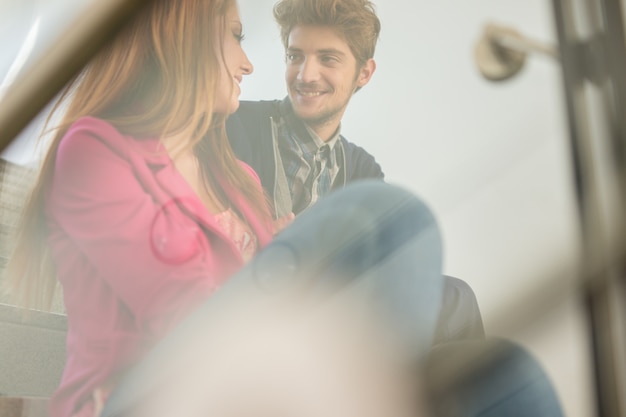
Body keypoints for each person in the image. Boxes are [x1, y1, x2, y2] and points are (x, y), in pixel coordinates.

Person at [5, 0, 445, 416]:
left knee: (493, 358)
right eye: (235, 37)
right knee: (397, 220)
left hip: (244, 378)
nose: (249, 64)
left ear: (363, 73)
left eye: (327, 59)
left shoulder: (238, 177)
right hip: (148, 392)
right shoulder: (94, 150)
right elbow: (184, 313)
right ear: (186, 41)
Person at [226, 0, 484, 344]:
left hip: (333, 320)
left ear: (364, 72)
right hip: (257, 313)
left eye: (327, 59)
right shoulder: (236, 125)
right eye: (295, 56)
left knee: (454, 298)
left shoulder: (363, 170)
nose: (306, 74)